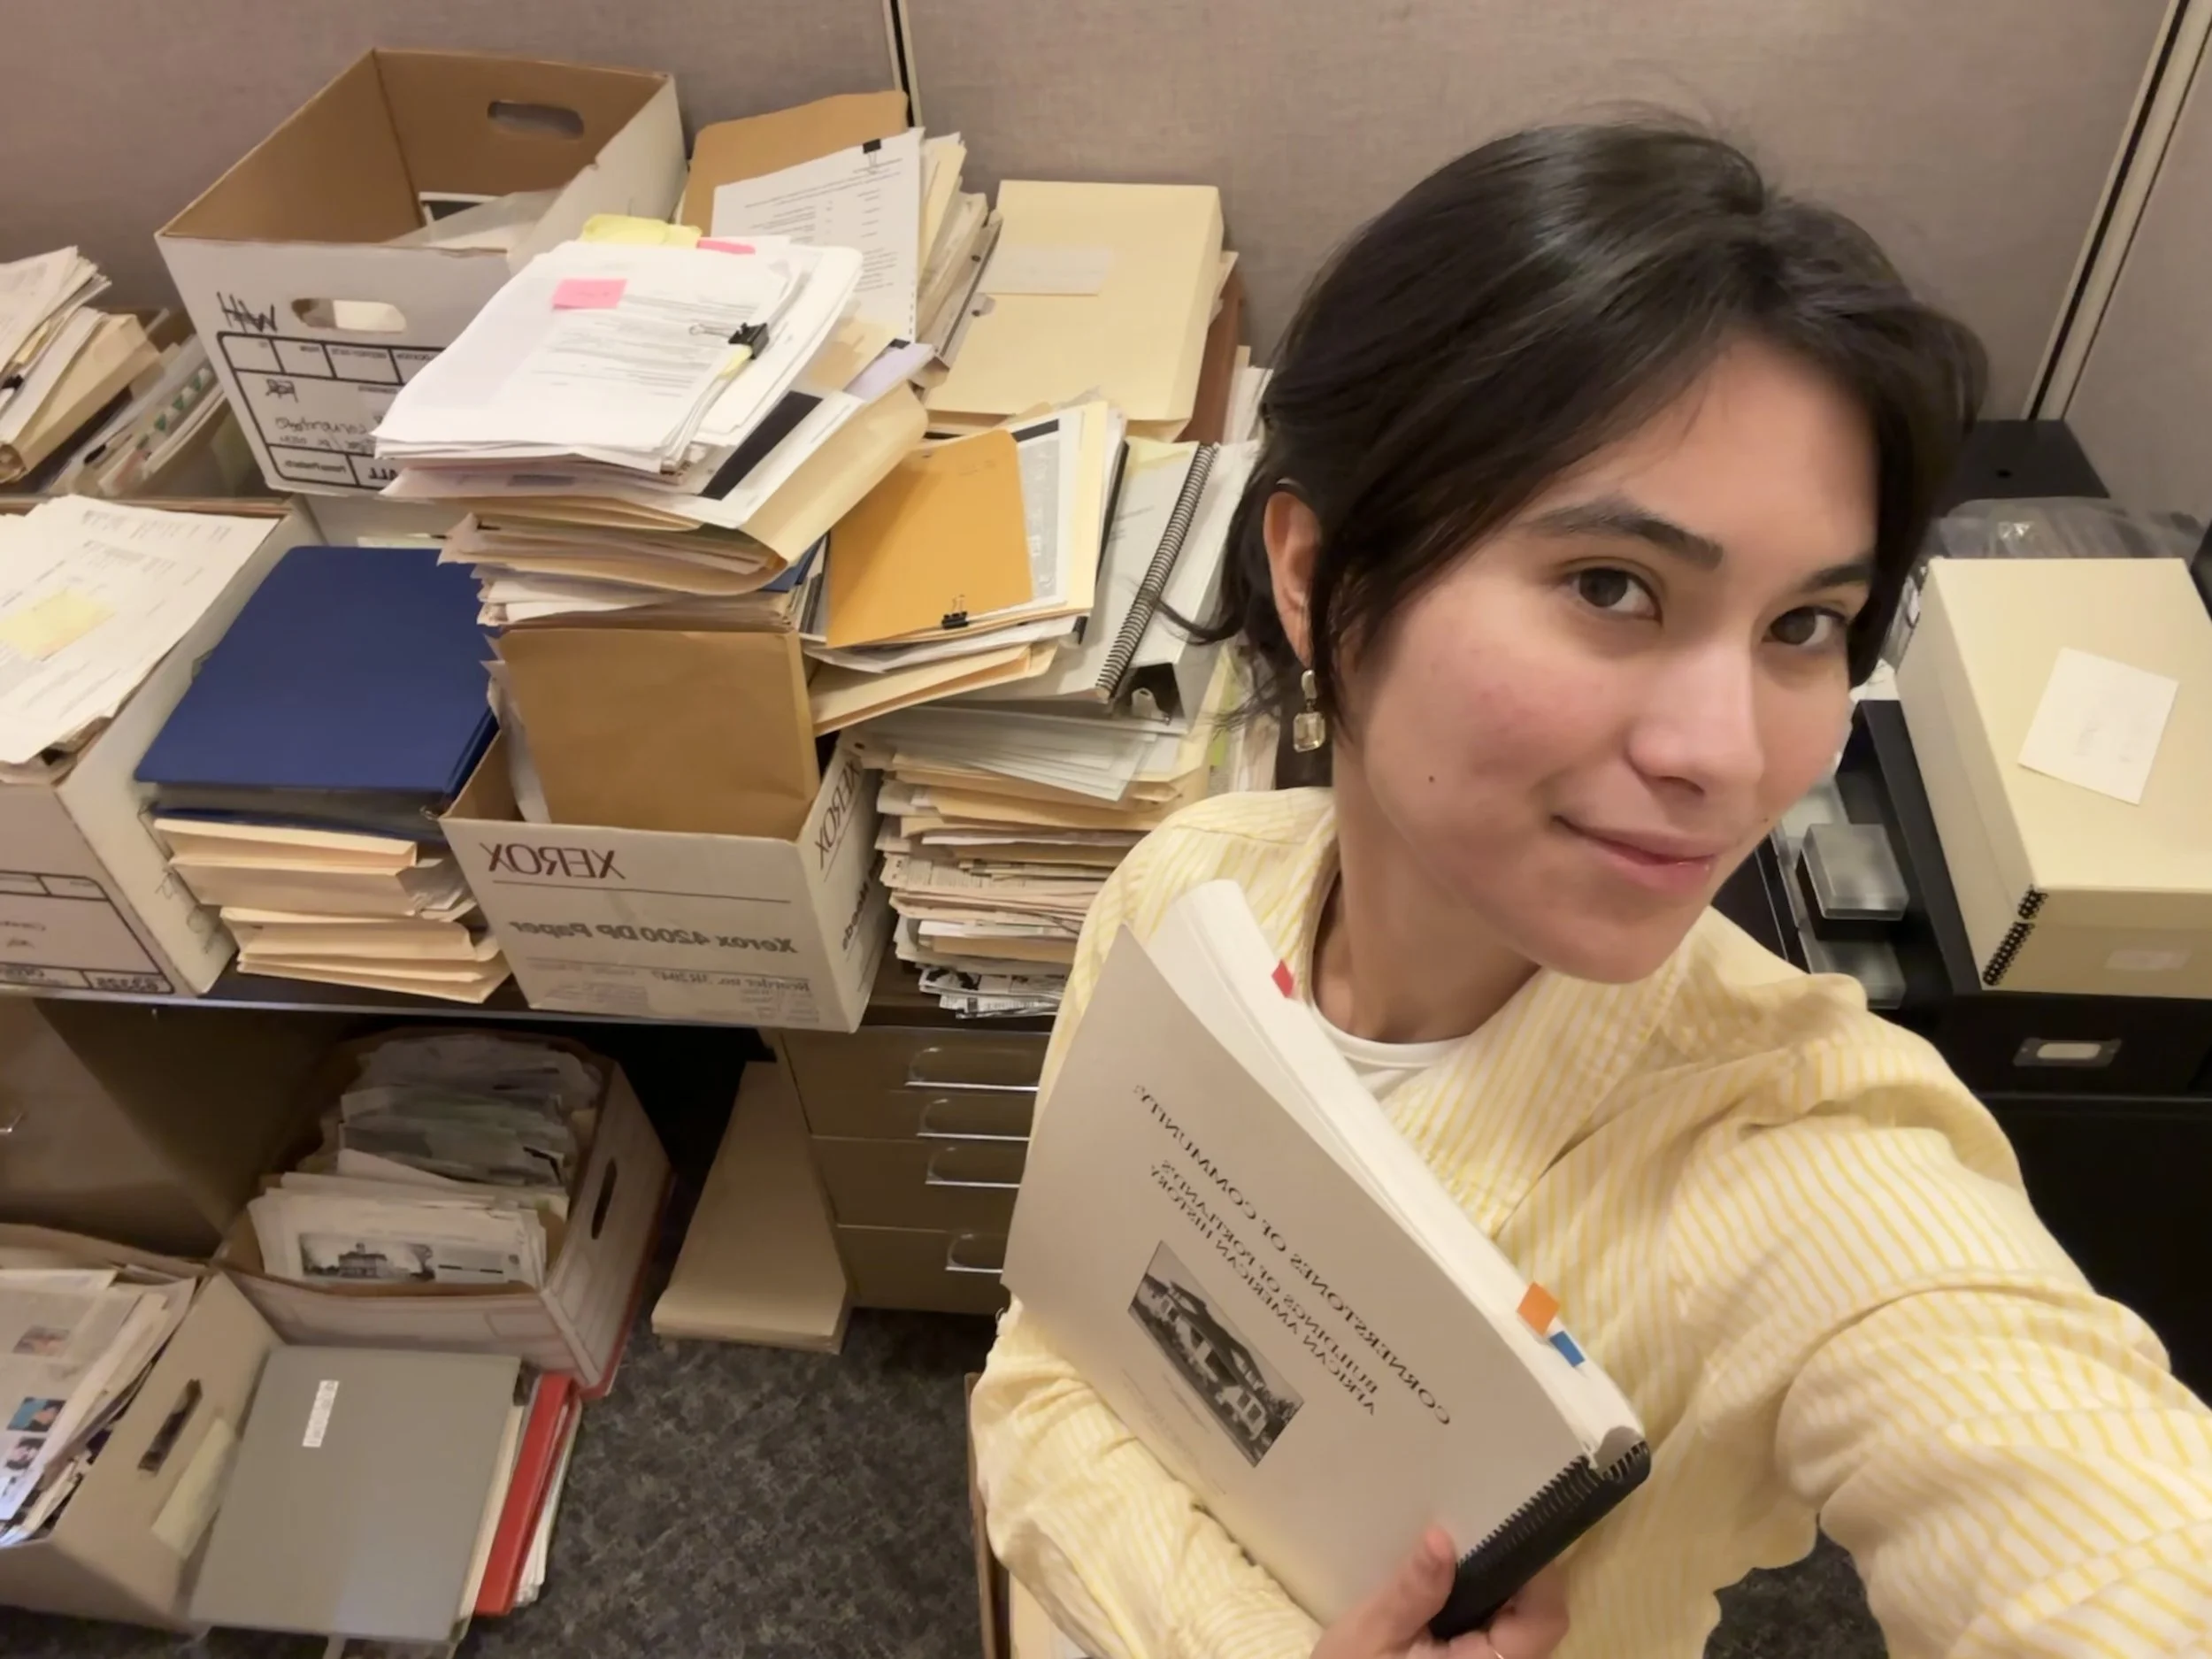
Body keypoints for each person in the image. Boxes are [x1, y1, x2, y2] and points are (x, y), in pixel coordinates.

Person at [970, 122, 2212, 1659]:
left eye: (1805, 624)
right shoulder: (1180, 893)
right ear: (1314, 575)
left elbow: (2107, 1533)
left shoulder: (1787, 1160)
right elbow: (1047, 1372)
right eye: (1614, 586)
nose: (1733, 752)